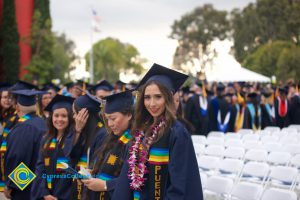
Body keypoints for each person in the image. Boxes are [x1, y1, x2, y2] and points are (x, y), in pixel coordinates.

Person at [112, 63, 203, 200]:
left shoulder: (177, 133)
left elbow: (179, 186)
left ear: (168, 98)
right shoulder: (140, 132)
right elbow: (127, 177)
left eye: (158, 97)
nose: (152, 104)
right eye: (147, 97)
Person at [82, 90, 134, 200]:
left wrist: (106, 185)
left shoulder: (136, 142)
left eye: (113, 118)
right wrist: (93, 172)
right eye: (107, 119)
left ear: (129, 115)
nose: (109, 124)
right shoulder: (111, 138)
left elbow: (135, 180)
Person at [4, 90, 47, 199]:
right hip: (42, 185)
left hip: (27, 189)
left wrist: (13, 186)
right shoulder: (44, 123)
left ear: (17, 107)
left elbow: (19, 157)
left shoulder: (24, 128)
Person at [31, 94, 75, 200]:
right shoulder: (46, 139)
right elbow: (40, 168)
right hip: (47, 194)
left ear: (70, 118)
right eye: (56, 115)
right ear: (51, 117)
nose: (59, 119)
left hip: (67, 194)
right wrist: (44, 193)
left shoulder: (74, 140)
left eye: (64, 116)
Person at [69, 91, 107, 199]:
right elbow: (73, 156)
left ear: (84, 114)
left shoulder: (102, 134)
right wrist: (77, 131)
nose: (74, 117)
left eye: (75, 113)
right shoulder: (85, 132)